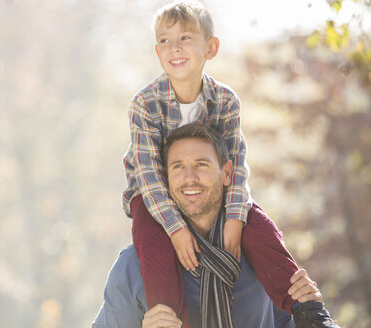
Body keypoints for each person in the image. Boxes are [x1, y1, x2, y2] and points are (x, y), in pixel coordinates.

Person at [121, 2, 338, 327]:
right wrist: (176, 229)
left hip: (211, 189)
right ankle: (168, 322)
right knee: (154, 247)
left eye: (185, 38)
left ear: (211, 47)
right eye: (165, 41)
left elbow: (235, 167)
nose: (174, 47)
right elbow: (148, 175)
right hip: (153, 194)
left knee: (260, 228)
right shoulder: (144, 103)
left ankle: (308, 311)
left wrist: (236, 219)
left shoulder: (225, 100)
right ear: (157, 51)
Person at [97, 123, 339, 327]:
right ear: (165, 179)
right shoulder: (133, 266)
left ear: (226, 173)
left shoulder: (262, 257)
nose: (189, 177)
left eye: (201, 164)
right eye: (178, 167)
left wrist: (309, 311)